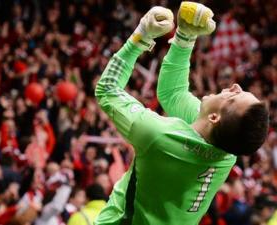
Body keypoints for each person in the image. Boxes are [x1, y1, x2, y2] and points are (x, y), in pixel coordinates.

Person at [94, 2, 269, 225]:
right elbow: (172, 94)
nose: (235, 86)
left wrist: (141, 36)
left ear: (215, 118)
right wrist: (185, 36)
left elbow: (107, 88)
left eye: (234, 97)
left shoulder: (159, 136)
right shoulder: (227, 150)